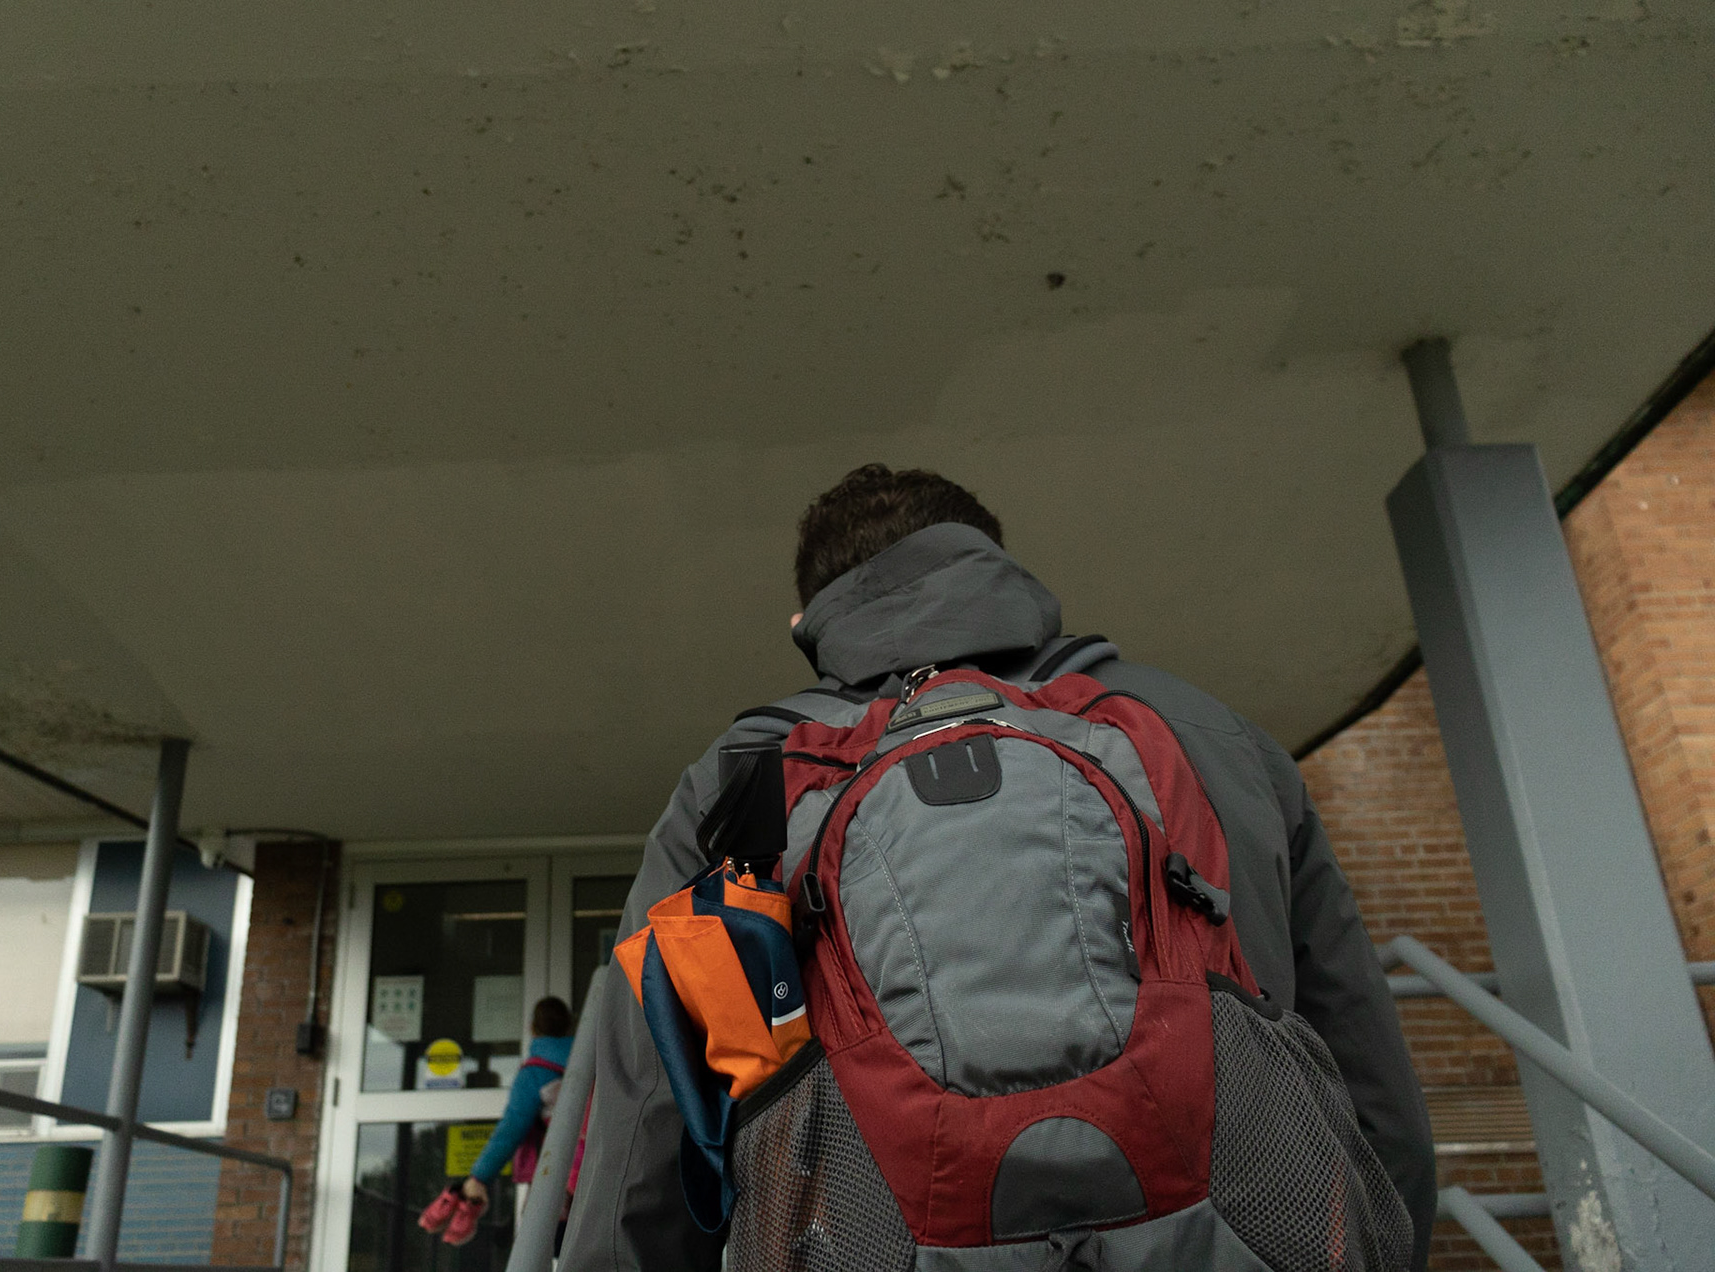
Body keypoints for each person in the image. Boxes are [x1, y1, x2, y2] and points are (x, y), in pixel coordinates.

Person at [558, 463, 1436, 1272]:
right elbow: (1366, 1072)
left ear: (807, 623)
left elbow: (646, 1118)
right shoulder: (1207, 736)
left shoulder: (743, 778)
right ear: (1004, 575)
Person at [418, 996, 575, 1247]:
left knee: (548, 1243)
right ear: (570, 1026)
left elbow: (511, 1131)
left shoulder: (534, 1074)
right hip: (601, 1168)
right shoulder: (593, 1063)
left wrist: (479, 1177)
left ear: (532, 1028)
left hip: (561, 1180)